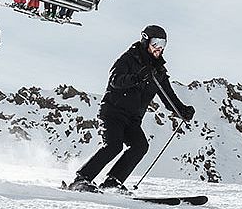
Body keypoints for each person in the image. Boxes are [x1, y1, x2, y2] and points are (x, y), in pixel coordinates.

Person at [69, 24, 196, 192]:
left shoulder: (158, 71)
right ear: (145, 41)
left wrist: (182, 111)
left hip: (133, 119)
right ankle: (81, 179)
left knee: (140, 146)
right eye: (156, 43)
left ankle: (112, 182)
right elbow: (115, 80)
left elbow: (168, 97)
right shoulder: (129, 58)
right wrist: (136, 77)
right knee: (113, 146)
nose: (159, 48)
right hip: (113, 112)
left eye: (163, 44)